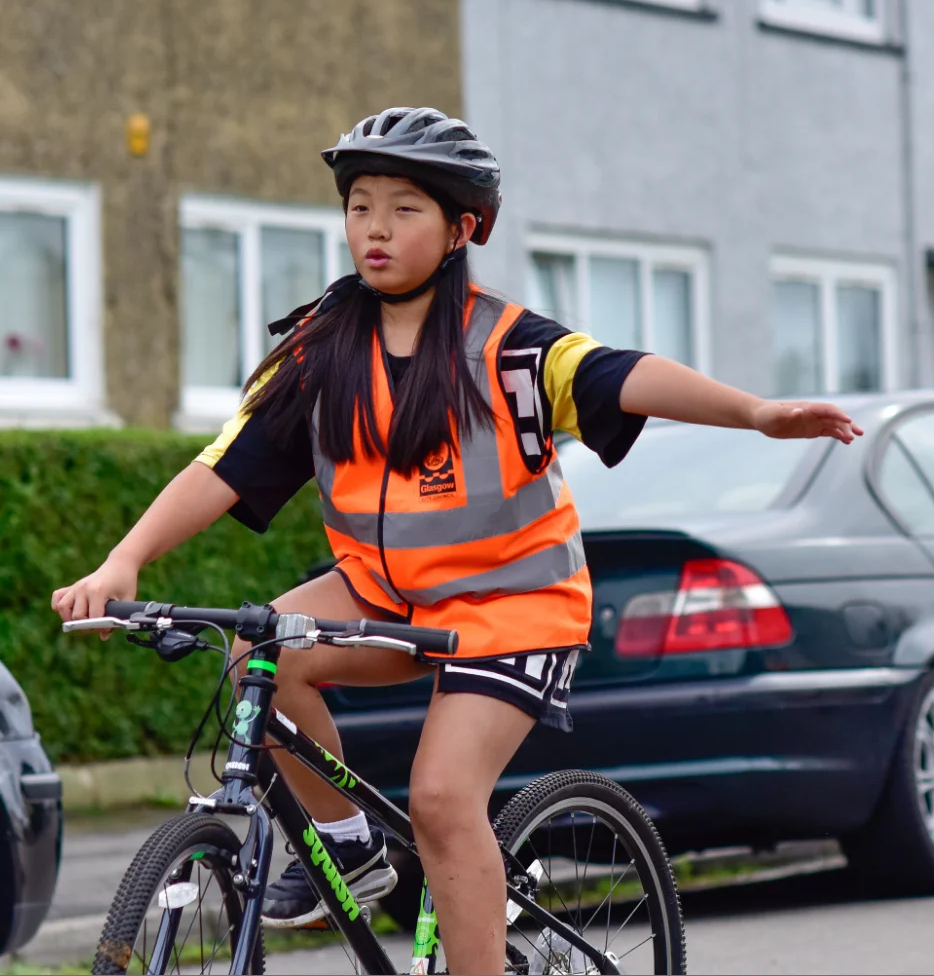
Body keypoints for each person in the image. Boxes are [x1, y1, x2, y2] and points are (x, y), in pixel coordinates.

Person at [51, 107, 863, 974]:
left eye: (404, 208)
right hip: (383, 593)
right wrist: (124, 559)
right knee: (262, 647)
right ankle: (348, 842)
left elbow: (624, 375)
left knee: (442, 799)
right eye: (360, 205)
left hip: (515, 606)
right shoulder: (322, 351)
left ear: (460, 228)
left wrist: (756, 412)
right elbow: (223, 467)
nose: (375, 228)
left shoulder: (507, 348)